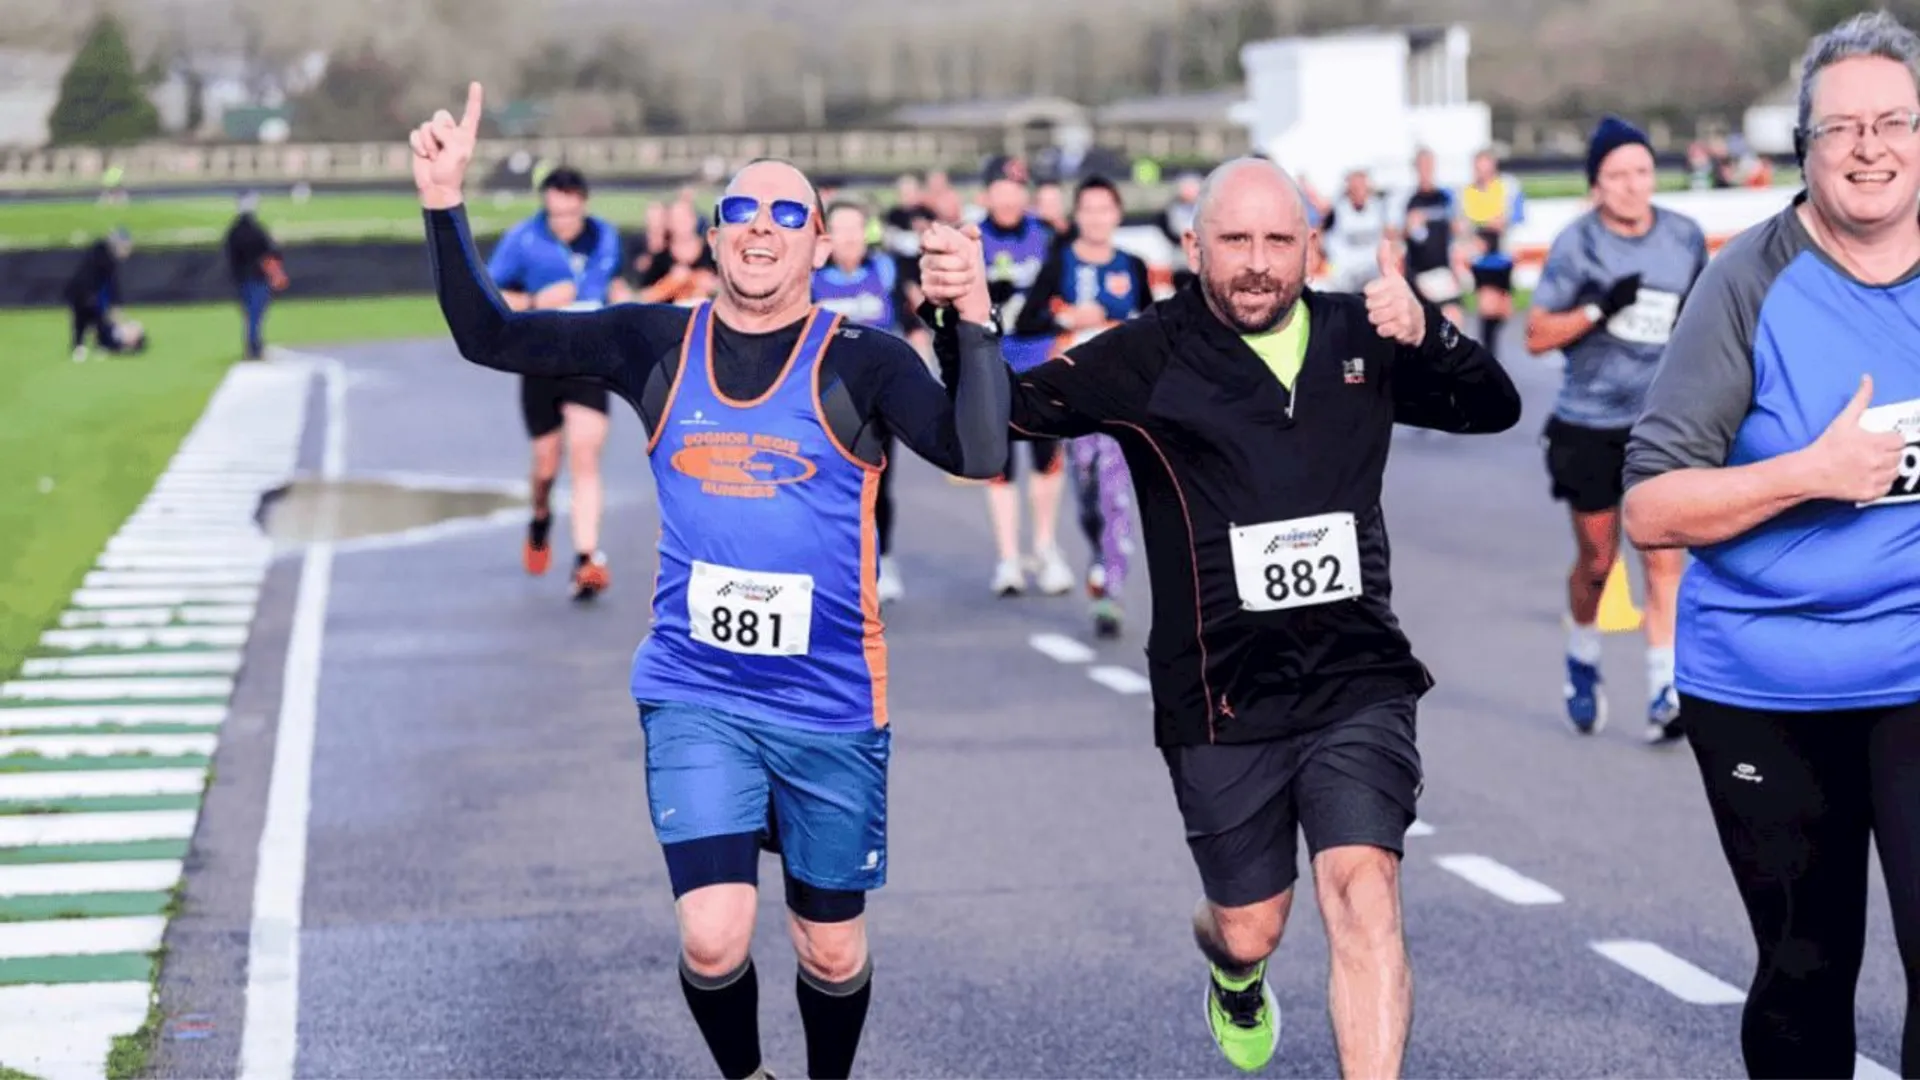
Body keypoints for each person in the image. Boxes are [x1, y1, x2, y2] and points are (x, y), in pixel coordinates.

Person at [412, 83, 1010, 1080]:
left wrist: (975, 320)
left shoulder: (860, 361)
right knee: (713, 938)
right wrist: (443, 204)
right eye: (742, 210)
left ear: (821, 245)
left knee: (830, 947)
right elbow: (493, 336)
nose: (762, 228)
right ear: (718, 232)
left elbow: (980, 450)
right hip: (699, 691)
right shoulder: (655, 340)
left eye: (790, 214)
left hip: (830, 701)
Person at [921, 156, 1521, 1078]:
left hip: (1355, 674)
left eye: (1278, 241)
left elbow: (1495, 407)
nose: (1256, 263)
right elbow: (996, 425)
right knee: (1251, 925)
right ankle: (1235, 972)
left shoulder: (1360, 334)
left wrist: (1430, 331)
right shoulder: (1148, 354)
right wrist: (962, 320)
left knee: (1364, 892)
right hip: (1221, 689)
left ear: (1310, 248)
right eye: (1234, 240)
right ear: (1193, 245)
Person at [1621, 11, 1920, 1076]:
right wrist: (1811, 474)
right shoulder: (1749, 282)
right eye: (1842, 129)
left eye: (1894, 122)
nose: (1870, 147)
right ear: (1806, 148)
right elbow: (1650, 508)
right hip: (1768, 681)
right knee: (1806, 962)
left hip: (1917, 667)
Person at [1525, 115, 1709, 742]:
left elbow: (1705, 320)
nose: (1632, 186)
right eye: (1617, 175)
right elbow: (1536, 335)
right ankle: (1582, 654)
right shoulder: (1578, 245)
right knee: (1599, 562)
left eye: (1641, 171)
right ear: (1596, 184)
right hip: (1589, 422)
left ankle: (1665, 688)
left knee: (1663, 558)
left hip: (1661, 422)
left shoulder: (1683, 238)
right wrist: (1600, 307)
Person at [1009, 176, 1152, 637]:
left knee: (1114, 493)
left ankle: (1110, 588)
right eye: (1087, 209)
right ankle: (1097, 554)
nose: (1096, 218)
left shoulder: (1132, 266)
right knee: (1087, 492)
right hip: (1074, 394)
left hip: (1122, 395)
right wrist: (1068, 317)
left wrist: (1117, 325)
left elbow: (1154, 326)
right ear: (1077, 216)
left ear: (1117, 214)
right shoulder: (1060, 262)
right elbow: (1028, 320)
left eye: (1104, 209)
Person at [485, 166, 630, 601]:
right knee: (547, 464)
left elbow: (616, 286)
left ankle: (587, 559)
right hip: (541, 361)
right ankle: (540, 516)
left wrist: (639, 316)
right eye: (555, 214)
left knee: (585, 455)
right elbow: (492, 297)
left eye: (570, 213)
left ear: (583, 204)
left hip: (588, 360)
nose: (563, 222)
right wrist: (533, 301)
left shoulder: (606, 237)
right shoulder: (522, 239)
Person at [976, 154, 1075, 598]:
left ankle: (1045, 546)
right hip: (993, 362)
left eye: (1017, 187)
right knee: (999, 463)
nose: (1008, 195)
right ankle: (1008, 557)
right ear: (987, 193)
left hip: (1042, 359)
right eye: (1000, 187)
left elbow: (1065, 290)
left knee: (1045, 458)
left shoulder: (1048, 236)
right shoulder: (972, 239)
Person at [811, 200, 918, 604]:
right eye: (841, 230)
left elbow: (909, 322)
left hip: (877, 399)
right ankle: (833, 565)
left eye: (857, 228)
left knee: (877, 482)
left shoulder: (885, 270)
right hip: (828, 400)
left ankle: (882, 559)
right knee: (829, 483)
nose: (850, 238)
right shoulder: (812, 281)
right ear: (825, 238)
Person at [1460, 149, 1525, 359]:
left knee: (1504, 310)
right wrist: (1478, 231)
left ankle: (1487, 353)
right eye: (1478, 167)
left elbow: (1518, 215)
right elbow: (1463, 224)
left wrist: (1503, 222)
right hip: (1481, 261)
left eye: (1485, 166)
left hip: (1503, 258)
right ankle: (1487, 358)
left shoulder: (1507, 187)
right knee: (1486, 308)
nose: (1482, 172)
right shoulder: (1468, 192)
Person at [1400, 148, 1468, 330]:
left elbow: (1459, 232)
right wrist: (1408, 227)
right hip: (1418, 274)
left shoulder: (1445, 198)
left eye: (1429, 165)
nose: (1426, 170)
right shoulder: (1409, 200)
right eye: (1422, 166)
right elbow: (1396, 237)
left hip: (1443, 271)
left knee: (1454, 322)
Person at [62, 228, 144, 362]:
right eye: (126, 247)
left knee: (96, 319)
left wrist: (115, 305)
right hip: (82, 292)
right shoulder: (102, 253)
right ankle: (81, 346)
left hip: (88, 293)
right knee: (83, 318)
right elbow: (110, 284)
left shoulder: (108, 258)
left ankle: (94, 345)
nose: (127, 252)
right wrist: (114, 306)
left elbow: (111, 285)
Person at [223, 192, 286, 362]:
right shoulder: (257, 230)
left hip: (242, 278)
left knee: (250, 314)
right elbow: (270, 251)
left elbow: (230, 256)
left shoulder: (233, 231)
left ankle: (253, 345)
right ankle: (254, 347)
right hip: (258, 277)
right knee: (256, 313)